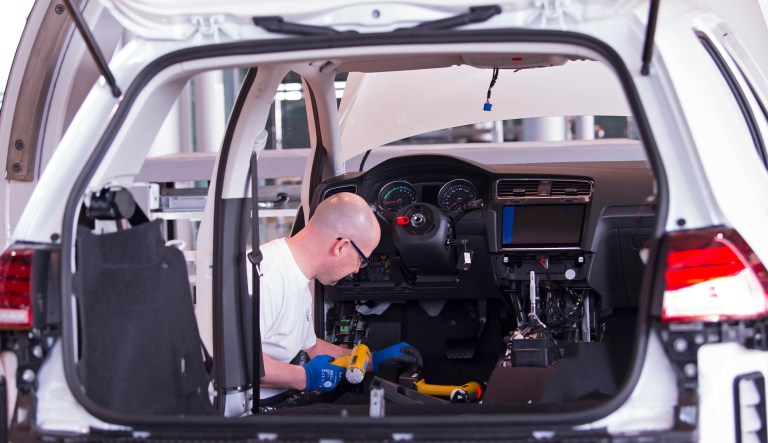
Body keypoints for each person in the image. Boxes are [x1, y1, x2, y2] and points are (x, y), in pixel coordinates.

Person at [257, 192, 416, 401]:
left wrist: (374, 361)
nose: (358, 269)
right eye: (362, 260)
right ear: (341, 246)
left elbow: (312, 348)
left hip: (281, 401)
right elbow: (239, 361)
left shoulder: (298, 281)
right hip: (253, 414)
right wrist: (306, 377)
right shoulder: (266, 277)